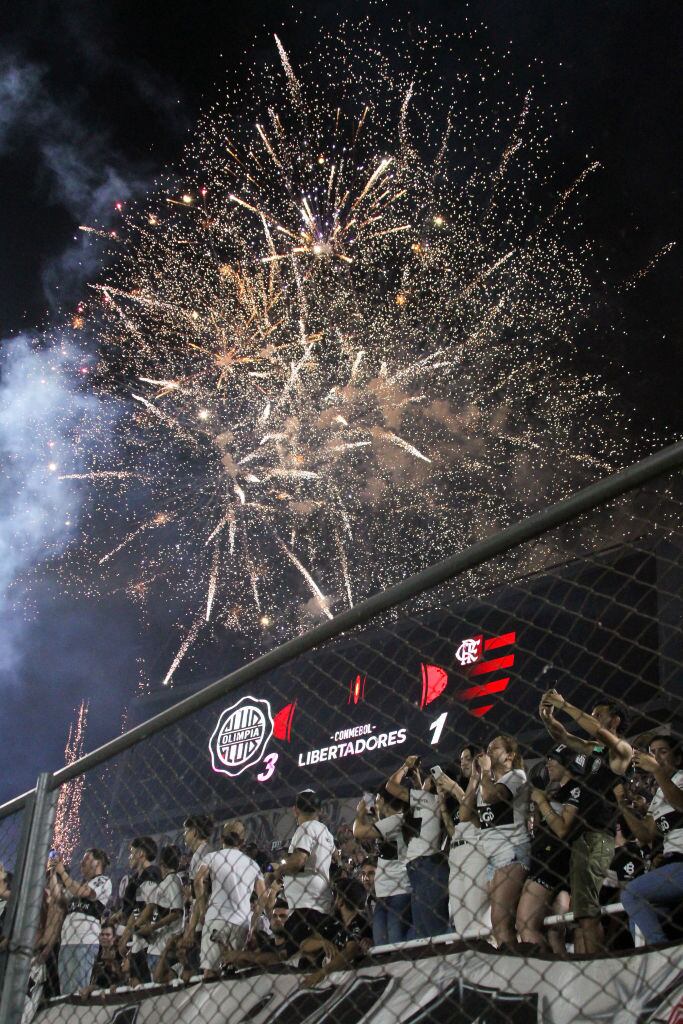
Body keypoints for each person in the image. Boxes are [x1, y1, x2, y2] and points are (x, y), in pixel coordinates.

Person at [540, 691, 633, 953]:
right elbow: (564, 737)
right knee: (582, 913)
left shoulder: (623, 750)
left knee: (587, 913)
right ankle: (586, 960)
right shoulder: (598, 750)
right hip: (582, 837)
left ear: (614, 721)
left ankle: (592, 964)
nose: (592, 719)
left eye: (598, 715)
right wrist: (548, 717)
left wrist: (565, 704)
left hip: (597, 837)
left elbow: (603, 735)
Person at [460, 735, 530, 949]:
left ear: (510, 755)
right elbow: (464, 815)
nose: (488, 751)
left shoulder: (516, 776)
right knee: (502, 924)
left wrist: (485, 775)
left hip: (511, 851)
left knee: (500, 923)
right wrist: (474, 777)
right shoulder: (484, 783)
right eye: (487, 748)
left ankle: (513, 966)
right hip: (492, 857)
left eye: (495, 748)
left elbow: (492, 797)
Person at [515, 745, 581, 953]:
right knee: (554, 931)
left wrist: (542, 802)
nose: (549, 764)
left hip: (553, 861)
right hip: (550, 860)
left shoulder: (575, 789)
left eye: (555, 759)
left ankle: (545, 972)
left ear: (568, 764)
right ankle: (563, 976)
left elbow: (562, 829)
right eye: (548, 759)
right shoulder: (559, 792)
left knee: (525, 925)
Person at [619, 736, 683, 945]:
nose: (655, 757)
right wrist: (623, 806)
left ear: (678, 757)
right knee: (638, 918)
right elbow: (646, 834)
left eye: (662, 751)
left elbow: (681, 804)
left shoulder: (680, 777)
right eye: (652, 752)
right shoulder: (659, 793)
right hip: (670, 865)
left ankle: (660, 954)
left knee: (631, 893)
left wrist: (656, 771)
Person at [386, 756, 449, 939]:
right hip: (424, 868)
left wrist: (406, 766)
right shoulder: (431, 801)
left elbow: (391, 786)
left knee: (431, 934)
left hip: (425, 869)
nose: (425, 778)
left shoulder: (427, 799)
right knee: (428, 934)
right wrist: (417, 778)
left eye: (429, 777)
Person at [194, 818, 265, 979]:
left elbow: (198, 880)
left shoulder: (211, 858)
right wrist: (253, 924)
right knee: (234, 970)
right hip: (242, 922)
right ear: (243, 841)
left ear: (221, 838)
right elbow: (264, 896)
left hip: (216, 918)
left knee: (211, 972)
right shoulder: (252, 865)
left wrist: (202, 909)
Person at [271, 790, 335, 954]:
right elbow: (336, 860)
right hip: (320, 897)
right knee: (313, 949)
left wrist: (279, 870)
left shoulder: (305, 828)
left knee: (298, 948)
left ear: (295, 810)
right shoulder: (326, 832)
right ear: (319, 810)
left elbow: (299, 860)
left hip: (305, 902)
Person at [435, 762, 491, 938]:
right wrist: (443, 804)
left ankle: (490, 953)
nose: (464, 762)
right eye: (461, 759)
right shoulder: (455, 800)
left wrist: (456, 788)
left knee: (477, 917)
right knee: (461, 922)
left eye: (468, 758)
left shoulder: (483, 789)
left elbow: (473, 816)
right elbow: (452, 831)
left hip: (474, 851)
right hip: (456, 854)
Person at [353, 788, 412, 945]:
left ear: (385, 801)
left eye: (378, 799)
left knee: (395, 942)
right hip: (384, 892)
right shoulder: (393, 820)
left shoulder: (398, 819)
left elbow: (358, 832)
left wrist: (359, 813)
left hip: (398, 890)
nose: (376, 802)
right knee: (381, 943)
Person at [53, 848, 112, 994]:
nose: (81, 862)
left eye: (86, 859)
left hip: (84, 941)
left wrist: (62, 872)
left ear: (97, 863)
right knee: (66, 991)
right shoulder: (78, 885)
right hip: (67, 941)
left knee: (77, 990)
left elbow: (84, 893)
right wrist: (53, 873)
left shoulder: (103, 880)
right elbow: (58, 898)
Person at [300, 877, 372, 988]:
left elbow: (349, 952)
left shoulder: (359, 924)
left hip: (346, 982)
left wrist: (321, 973)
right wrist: (322, 942)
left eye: (335, 895)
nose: (333, 899)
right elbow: (304, 945)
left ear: (341, 901)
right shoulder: (333, 921)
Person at [117, 836, 161, 985]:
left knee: (146, 983)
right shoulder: (136, 878)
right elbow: (136, 908)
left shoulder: (151, 874)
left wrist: (127, 934)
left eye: (131, 852)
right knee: (134, 981)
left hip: (149, 939)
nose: (129, 857)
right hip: (138, 937)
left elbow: (149, 907)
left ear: (141, 853)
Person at [140, 844, 184, 978]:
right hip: (157, 945)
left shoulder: (172, 880)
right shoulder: (168, 881)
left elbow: (177, 912)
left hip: (163, 948)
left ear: (161, 863)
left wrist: (152, 927)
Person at [78, 922, 125, 996]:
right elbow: (95, 980)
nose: (104, 937)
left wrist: (113, 963)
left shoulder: (120, 953)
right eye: (102, 935)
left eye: (108, 935)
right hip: (99, 988)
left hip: (118, 988)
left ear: (114, 937)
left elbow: (124, 976)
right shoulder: (96, 954)